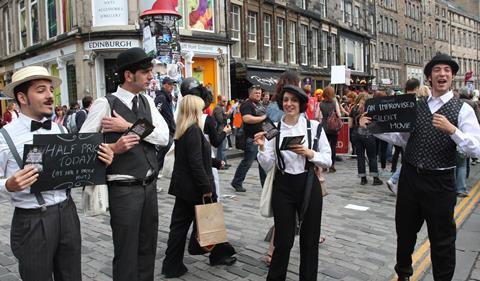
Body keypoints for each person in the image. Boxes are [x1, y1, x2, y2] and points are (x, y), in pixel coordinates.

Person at [361, 53, 480, 281]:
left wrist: (452, 131)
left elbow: (476, 148)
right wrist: (372, 127)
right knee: (404, 234)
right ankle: (403, 275)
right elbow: (402, 138)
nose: (442, 74)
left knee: (442, 240)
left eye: (447, 70)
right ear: (429, 77)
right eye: (437, 70)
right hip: (410, 178)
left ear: (452, 76)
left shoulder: (462, 110)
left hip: (440, 182)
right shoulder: (416, 106)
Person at [0, 66, 113, 281]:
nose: (50, 96)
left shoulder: (61, 130)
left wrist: (101, 161)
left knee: (71, 276)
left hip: (67, 213)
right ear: (22, 97)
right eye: (41, 90)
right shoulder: (4, 137)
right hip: (31, 220)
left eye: (51, 89)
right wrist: (8, 185)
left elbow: (75, 171)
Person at [80, 47, 169, 281]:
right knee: (126, 253)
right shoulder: (104, 104)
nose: (151, 76)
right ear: (128, 75)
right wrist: (113, 148)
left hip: (149, 187)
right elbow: (82, 146)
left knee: (148, 249)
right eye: (146, 72)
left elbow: (164, 136)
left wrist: (128, 126)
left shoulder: (147, 102)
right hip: (123, 189)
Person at [256, 85, 331, 281]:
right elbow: (268, 164)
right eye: (286, 100)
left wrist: (310, 153)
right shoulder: (273, 128)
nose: (289, 104)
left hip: (308, 184)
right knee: (283, 240)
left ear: (301, 104)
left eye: (294, 100)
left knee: (310, 239)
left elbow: (328, 159)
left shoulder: (313, 127)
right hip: (284, 185)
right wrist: (263, 149)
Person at [161, 95, 236, 279]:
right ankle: (217, 254)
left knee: (178, 227)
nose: (203, 112)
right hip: (196, 189)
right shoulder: (193, 130)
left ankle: (172, 265)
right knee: (210, 220)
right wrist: (206, 187)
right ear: (194, 109)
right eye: (201, 108)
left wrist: (216, 162)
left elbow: (194, 158)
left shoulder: (182, 130)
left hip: (183, 188)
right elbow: (195, 163)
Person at [386, 79, 420, 195]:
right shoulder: (415, 101)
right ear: (416, 88)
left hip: (399, 133)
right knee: (409, 160)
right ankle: (395, 180)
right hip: (411, 136)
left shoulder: (400, 100)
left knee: (405, 159)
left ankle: (396, 179)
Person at [231, 85, 267, 192]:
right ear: (250, 93)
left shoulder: (259, 104)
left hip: (261, 138)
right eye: (256, 93)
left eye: (260, 93)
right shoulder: (246, 104)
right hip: (251, 138)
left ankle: (265, 185)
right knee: (247, 162)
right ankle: (236, 182)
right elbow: (246, 119)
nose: (258, 95)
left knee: (262, 162)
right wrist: (262, 118)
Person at [349, 94, 383, 185]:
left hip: (356, 135)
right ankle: (375, 178)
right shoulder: (371, 109)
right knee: (372, 156)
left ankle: (363, 179)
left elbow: (350, 125)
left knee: (360, 157)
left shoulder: (353, 109)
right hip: (368, 134)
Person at [155, 77, 177, 170]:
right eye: (170, 84)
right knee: (166, 149)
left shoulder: (168, 98)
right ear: (164, 85)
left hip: (170, 130)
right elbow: (156, 113)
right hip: (165, 131)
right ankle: (155, 170)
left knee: (165, 152)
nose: (172, 86)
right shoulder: (161, 98)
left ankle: (157, 170)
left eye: (173, 85)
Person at [319, 86, 342, 172]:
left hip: (324, 127)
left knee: (324, 147)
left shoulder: (320, 104)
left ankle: (324, 165)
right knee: (333, 146)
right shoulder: (334, 103)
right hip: (333, 127)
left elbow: (317, 116)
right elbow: (339, 115)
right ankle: (332, 165)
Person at [213, 95, 232, 168]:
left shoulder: (221, 108)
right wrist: (227, 114)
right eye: (223, 101)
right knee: (222, 148)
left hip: (222, 130)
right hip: (220, 131)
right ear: (219, 100)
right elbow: (220, 120)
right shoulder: (218, 108)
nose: (225, 103)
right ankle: (221, 164)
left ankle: (223, 163)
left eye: (226, 101)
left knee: (222, 148)